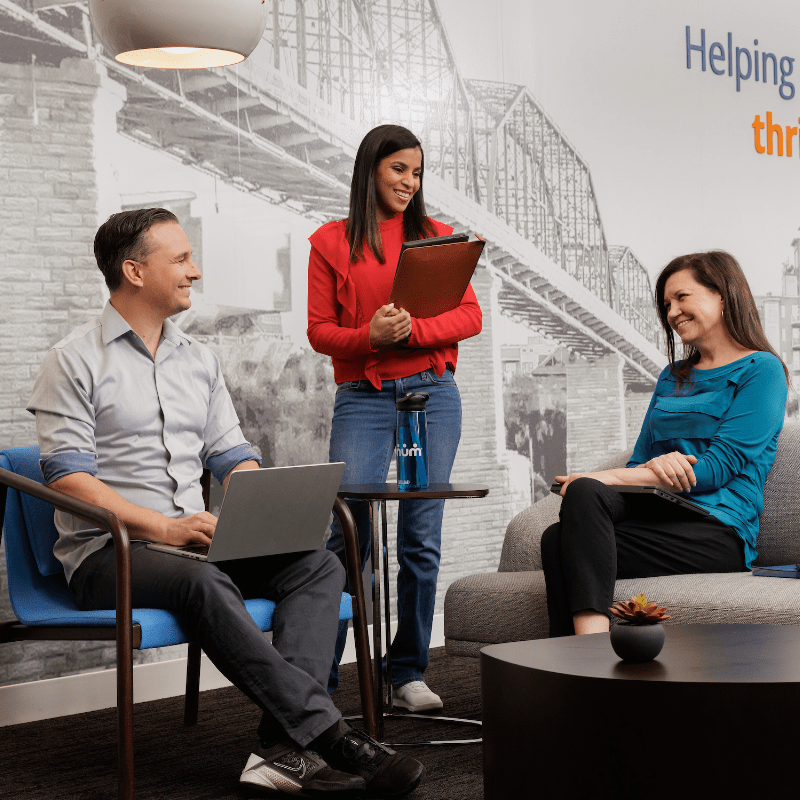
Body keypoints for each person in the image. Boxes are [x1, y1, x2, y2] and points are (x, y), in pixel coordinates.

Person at [27, 208, 425, 798]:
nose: (196, 271)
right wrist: (165, 527)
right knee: (206, 585)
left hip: (196, 543)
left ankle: (280, 752)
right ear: (134, 271)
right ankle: (329, 738)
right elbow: (67, 479)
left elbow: (231, 456)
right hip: (110, 554)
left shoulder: (199, 360)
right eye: (181, 259)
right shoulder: (73, 359)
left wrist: (260, 504)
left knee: (319, 565)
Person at [307, 125, 482, 711]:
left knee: (420, 535)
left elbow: (468, 317)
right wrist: (369, 337)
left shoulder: (435, 238)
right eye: (398, 170)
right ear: (370, 170)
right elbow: (320, 332)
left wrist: (411, 332)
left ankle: (406, 671)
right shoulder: (330, 242)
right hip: (362, 395)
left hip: (431, 393)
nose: (409, 182)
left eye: (416, 172)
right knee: (345, 532)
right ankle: (320, 682)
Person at [541, 251, 789, 637]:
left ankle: (581, 661)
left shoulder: (762, 370)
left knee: (569, 523)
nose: (672, 312)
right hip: (659, 515)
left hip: (718, 530)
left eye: (682, 297)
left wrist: (603, 474)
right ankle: (582, 658)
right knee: (568, 519)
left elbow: (714, 469)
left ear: (722, 295)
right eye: (666, 304)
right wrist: (624, 475)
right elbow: (642, 460)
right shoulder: (672, 376)